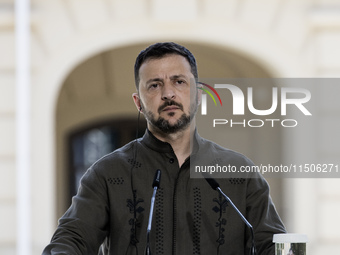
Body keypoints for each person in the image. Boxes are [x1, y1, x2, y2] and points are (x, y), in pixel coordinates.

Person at [43, 42, 286, 255]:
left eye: (179, 82)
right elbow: (72, 238)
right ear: (138, 102)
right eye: (154, 85)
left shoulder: (240, 172)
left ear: (198, 94)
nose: (168, 93)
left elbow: (272, 244)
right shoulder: (107, 173)